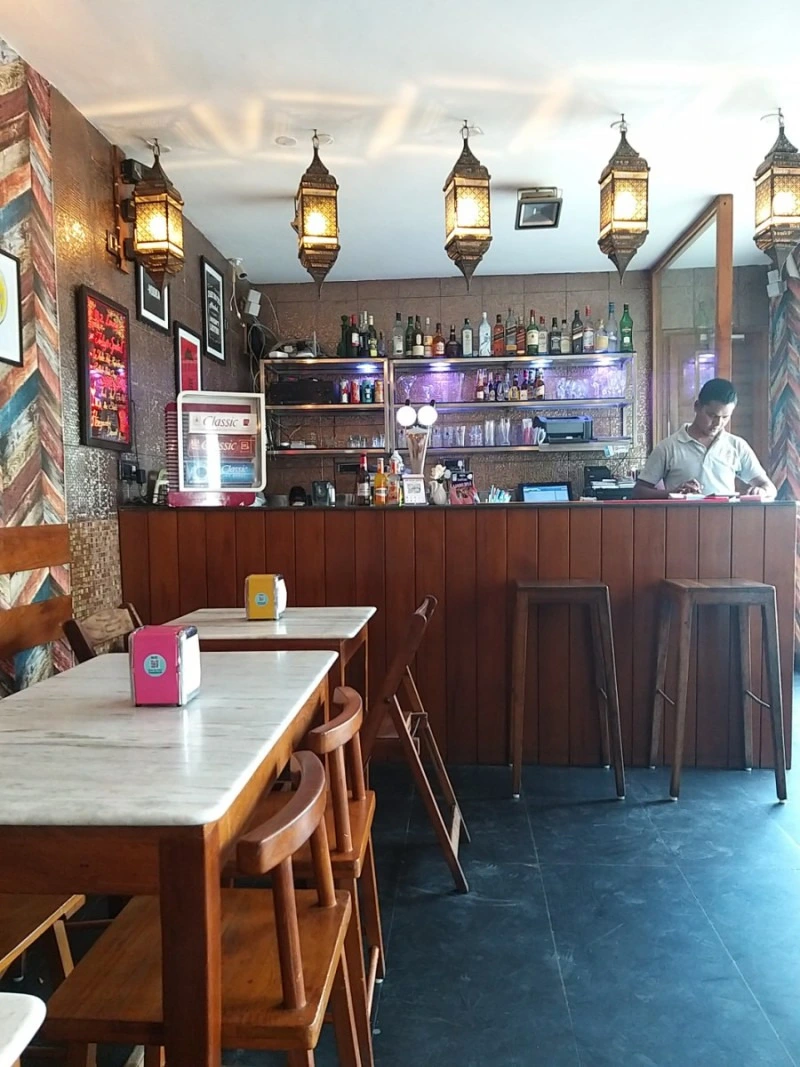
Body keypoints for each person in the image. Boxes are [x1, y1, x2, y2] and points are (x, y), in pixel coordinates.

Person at [633, 378, 776, 500]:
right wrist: (674, 493)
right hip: (680, 521)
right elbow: (639, 492)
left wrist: (761, 491)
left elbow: (769, 487)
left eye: (725, 417)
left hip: (726, 522)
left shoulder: (737, 446)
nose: (718, 423)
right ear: (697, 407)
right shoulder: (668, 447)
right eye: (712, 415)